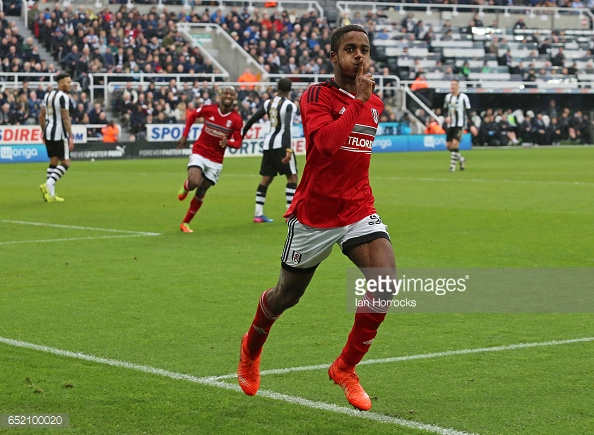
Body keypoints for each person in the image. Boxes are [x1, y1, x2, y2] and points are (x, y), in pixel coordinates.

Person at [237, 25, 396, 412]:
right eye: (350, 50)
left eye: (365, 50)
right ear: (333, 57)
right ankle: (251, 347)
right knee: (286, 296)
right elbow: (324, 147)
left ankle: (345, 368)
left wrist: (362, 101)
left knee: (386, 284)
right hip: (315, 215)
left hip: (358, 208)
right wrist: (358, 102)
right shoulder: (316, 96)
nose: (359, 56)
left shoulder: (374, 102)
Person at [175, 86, 244, 233]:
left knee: (202, 190)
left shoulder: (236, 119)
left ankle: (185, 223)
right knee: (194, 182)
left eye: (231, 94)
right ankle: (187, 186)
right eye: (225, 93)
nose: (228, 96)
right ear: (220, 96)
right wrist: (185, 134)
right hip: (200, 151)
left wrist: (228, 143)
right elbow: (193, 115)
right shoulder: (209, 109)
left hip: (216, 160)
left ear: (234, 98)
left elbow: (238, 143)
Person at [241, 78, 298, 223]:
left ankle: (258, 214)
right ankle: (290, 214)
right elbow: (288, 129)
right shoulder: (290, 106)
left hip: (268, 145)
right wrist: (288, 150)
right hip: (281, 145)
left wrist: (242, 134)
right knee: (292, 177)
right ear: (290, 90)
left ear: (277, 88)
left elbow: (252, 119)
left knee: (267, 178)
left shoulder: (268, 103)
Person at [39, 73, 74, 202]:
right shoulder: (63, 97)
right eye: (68, 82)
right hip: (60, 134)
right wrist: (70, 135)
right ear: (61, 84)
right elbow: (65, 118)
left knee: (53, 162)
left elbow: (41, 116)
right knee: (66, 162)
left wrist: (43, 132)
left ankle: (51, 195)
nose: (70, 85)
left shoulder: (47, 95)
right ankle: (47, 185)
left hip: (48, 132)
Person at [443, 79, 472, 171]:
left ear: (458, 86)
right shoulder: (448, 97)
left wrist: (471, 124)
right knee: (448, 146)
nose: (453, 86)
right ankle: (461, 159)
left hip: (460, 124)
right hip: (451, 124)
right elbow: (444, 109)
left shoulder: (464, 97)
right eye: (452, 84)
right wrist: (446, 117)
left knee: (455, 143)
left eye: (455, 84)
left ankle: (452, 167)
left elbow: (468, 111)